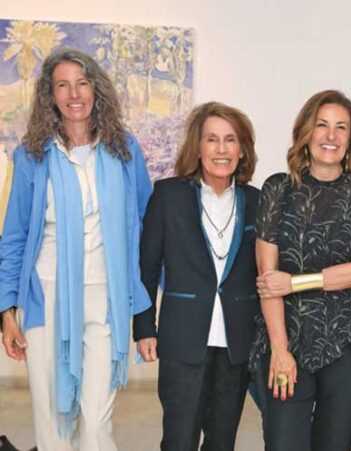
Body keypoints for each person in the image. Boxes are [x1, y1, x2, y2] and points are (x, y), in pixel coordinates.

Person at [0, 48, 152, 450]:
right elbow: (14, 236)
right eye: (62, 85)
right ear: (50, 95)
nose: (74, 94)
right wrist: (6, 310)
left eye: (82, 83)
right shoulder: (32, 155)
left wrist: (146, 300)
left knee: (96, 420)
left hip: (107, 298)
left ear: (96, 89)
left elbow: (146, 222)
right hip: (45, 296)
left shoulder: (124, 150)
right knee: (51, 421)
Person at [250, 89, 351, 451]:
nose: (331, 135)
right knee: (283, 444)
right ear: (305, 132)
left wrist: (294, 283)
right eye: (321, 125)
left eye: (341, 127)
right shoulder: (278, 188)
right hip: (288, 336)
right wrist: (279, 350)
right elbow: (268, 281)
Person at [133, 102, 259, 450]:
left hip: (236, 342)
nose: (221, 149)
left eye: (230, 140)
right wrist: (144, 327)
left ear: (242, 149)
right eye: (212, 139)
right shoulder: (168, 195)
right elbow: (147, 266)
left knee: (222, 441)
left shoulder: (257, 201)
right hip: (182, 338)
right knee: (179, 440)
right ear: (198, 147)